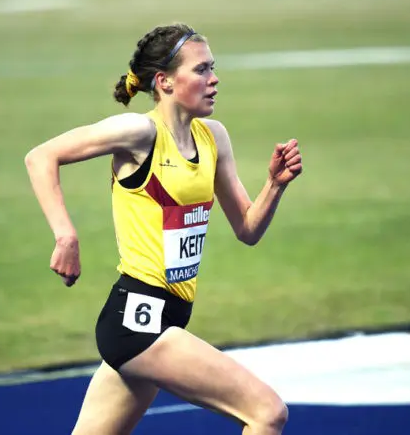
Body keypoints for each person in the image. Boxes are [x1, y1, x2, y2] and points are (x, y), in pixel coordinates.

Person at [24, 22, 303, 435]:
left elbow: (247, 228)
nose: (214, 78)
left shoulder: (213, 138)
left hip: (166, 318)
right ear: (165, 81)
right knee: (267, 412)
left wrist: (274, 186)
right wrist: (66, 235)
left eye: (213, 68)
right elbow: (40, 157)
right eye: (202, 69)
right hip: (138, 320)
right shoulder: (139, 133)